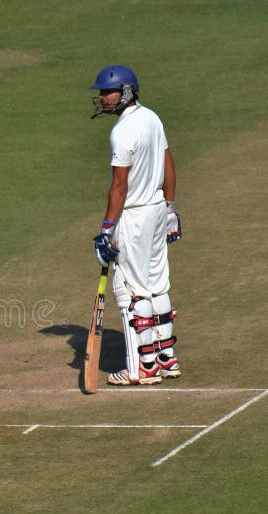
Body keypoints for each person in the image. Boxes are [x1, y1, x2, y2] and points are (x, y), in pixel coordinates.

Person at [89, 65, 183, 386]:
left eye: (107, 92)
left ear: (126, 91)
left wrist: (106, 229)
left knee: (130, 290)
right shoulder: (152, 118)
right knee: (156, 284)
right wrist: (170, 208)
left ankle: (140, 368)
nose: (103, 97)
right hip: (157, 211)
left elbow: (119, 186)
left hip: (133, 217)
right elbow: (168, 164)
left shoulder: (123, 131)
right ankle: (165, 358)